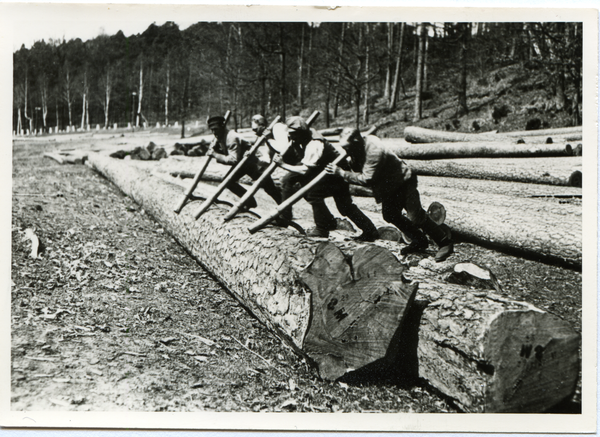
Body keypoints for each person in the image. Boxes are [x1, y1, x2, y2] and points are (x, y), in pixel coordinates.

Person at [325, 127, 454, 262]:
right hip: (389, 187)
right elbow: (358, 168)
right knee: (390, 215)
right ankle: (419, 240)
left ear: (356, 142)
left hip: (404, 181)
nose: (346, 151)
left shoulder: (374, 150)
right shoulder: (358, 148)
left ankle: (445, 243)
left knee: (415, 216)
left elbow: (366, 178)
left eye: (347, 148)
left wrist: (342, 173)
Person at [272, 116, 379, 241]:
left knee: (334, 202)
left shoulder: (315, 143)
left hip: (335, 174)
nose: (291, 137)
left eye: (293, 134)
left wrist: (283, 165)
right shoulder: (298, 138)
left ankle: (328, 228)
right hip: (320, 170)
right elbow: (298, 160)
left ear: (300, 133)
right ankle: (288, 217)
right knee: (288, 180)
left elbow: (305, 169)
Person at [205, 115, 281, 209]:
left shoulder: (231, 137)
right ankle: (249, 201)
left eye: (216, 129)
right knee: (227, 181)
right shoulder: (220, 136)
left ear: (222, 126)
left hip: (254, 163)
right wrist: (217, 150)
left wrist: (215, 154)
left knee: (269, 188)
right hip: (242, 164)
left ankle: (285, 209)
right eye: (212, 130)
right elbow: (230, 153)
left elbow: (233, 159)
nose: (214, 132)